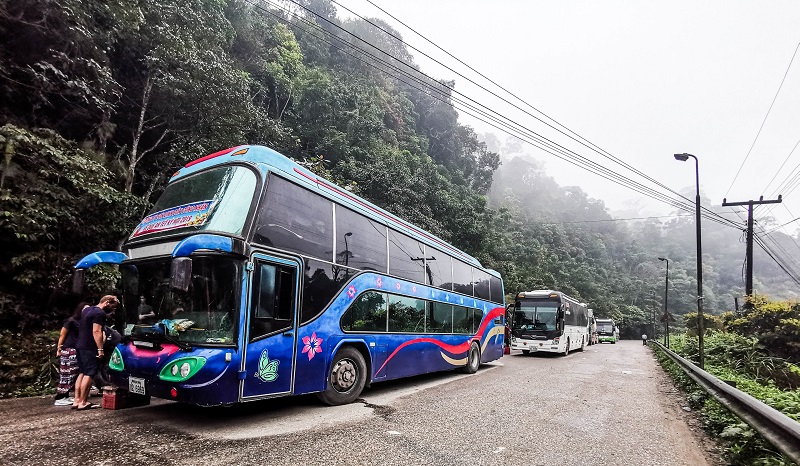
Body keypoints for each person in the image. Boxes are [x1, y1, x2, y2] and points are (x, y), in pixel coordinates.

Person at [73, 295, 119, 410]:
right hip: (90, 347)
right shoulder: (100, 313)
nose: (113, 310)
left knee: (82, 372)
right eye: (113, 307)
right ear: (107, 302)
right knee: (89, 374)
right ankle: (83, 402)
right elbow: (96, 331)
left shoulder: (87, 309)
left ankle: (76, 400)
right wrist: (100, 348)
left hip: (80, 345)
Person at [53, 302, 88, 406]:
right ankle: (60, 397)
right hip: (69, 349)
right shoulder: (71, 321)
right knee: (67, 373)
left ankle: (66, 395)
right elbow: (62, 334)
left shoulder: (83, 321)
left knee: (74, 374)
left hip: (78, 349)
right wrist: (59, 347)